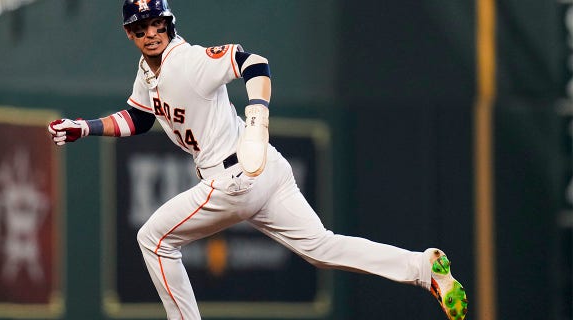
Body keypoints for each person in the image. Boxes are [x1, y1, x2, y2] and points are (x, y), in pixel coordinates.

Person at [47, 1, 468, 319]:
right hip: (264, 170)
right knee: (321, 246)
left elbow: (254, 62)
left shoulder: (188, 61)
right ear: (130, 35)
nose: (151, 33)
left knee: (153, 240)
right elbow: (139, 117)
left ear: (169, 23)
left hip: (234, 177)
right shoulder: (147, 70)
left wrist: (257, 112)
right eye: (141, 27)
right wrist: (87, 126)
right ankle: (423, 267)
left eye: (157, 23)